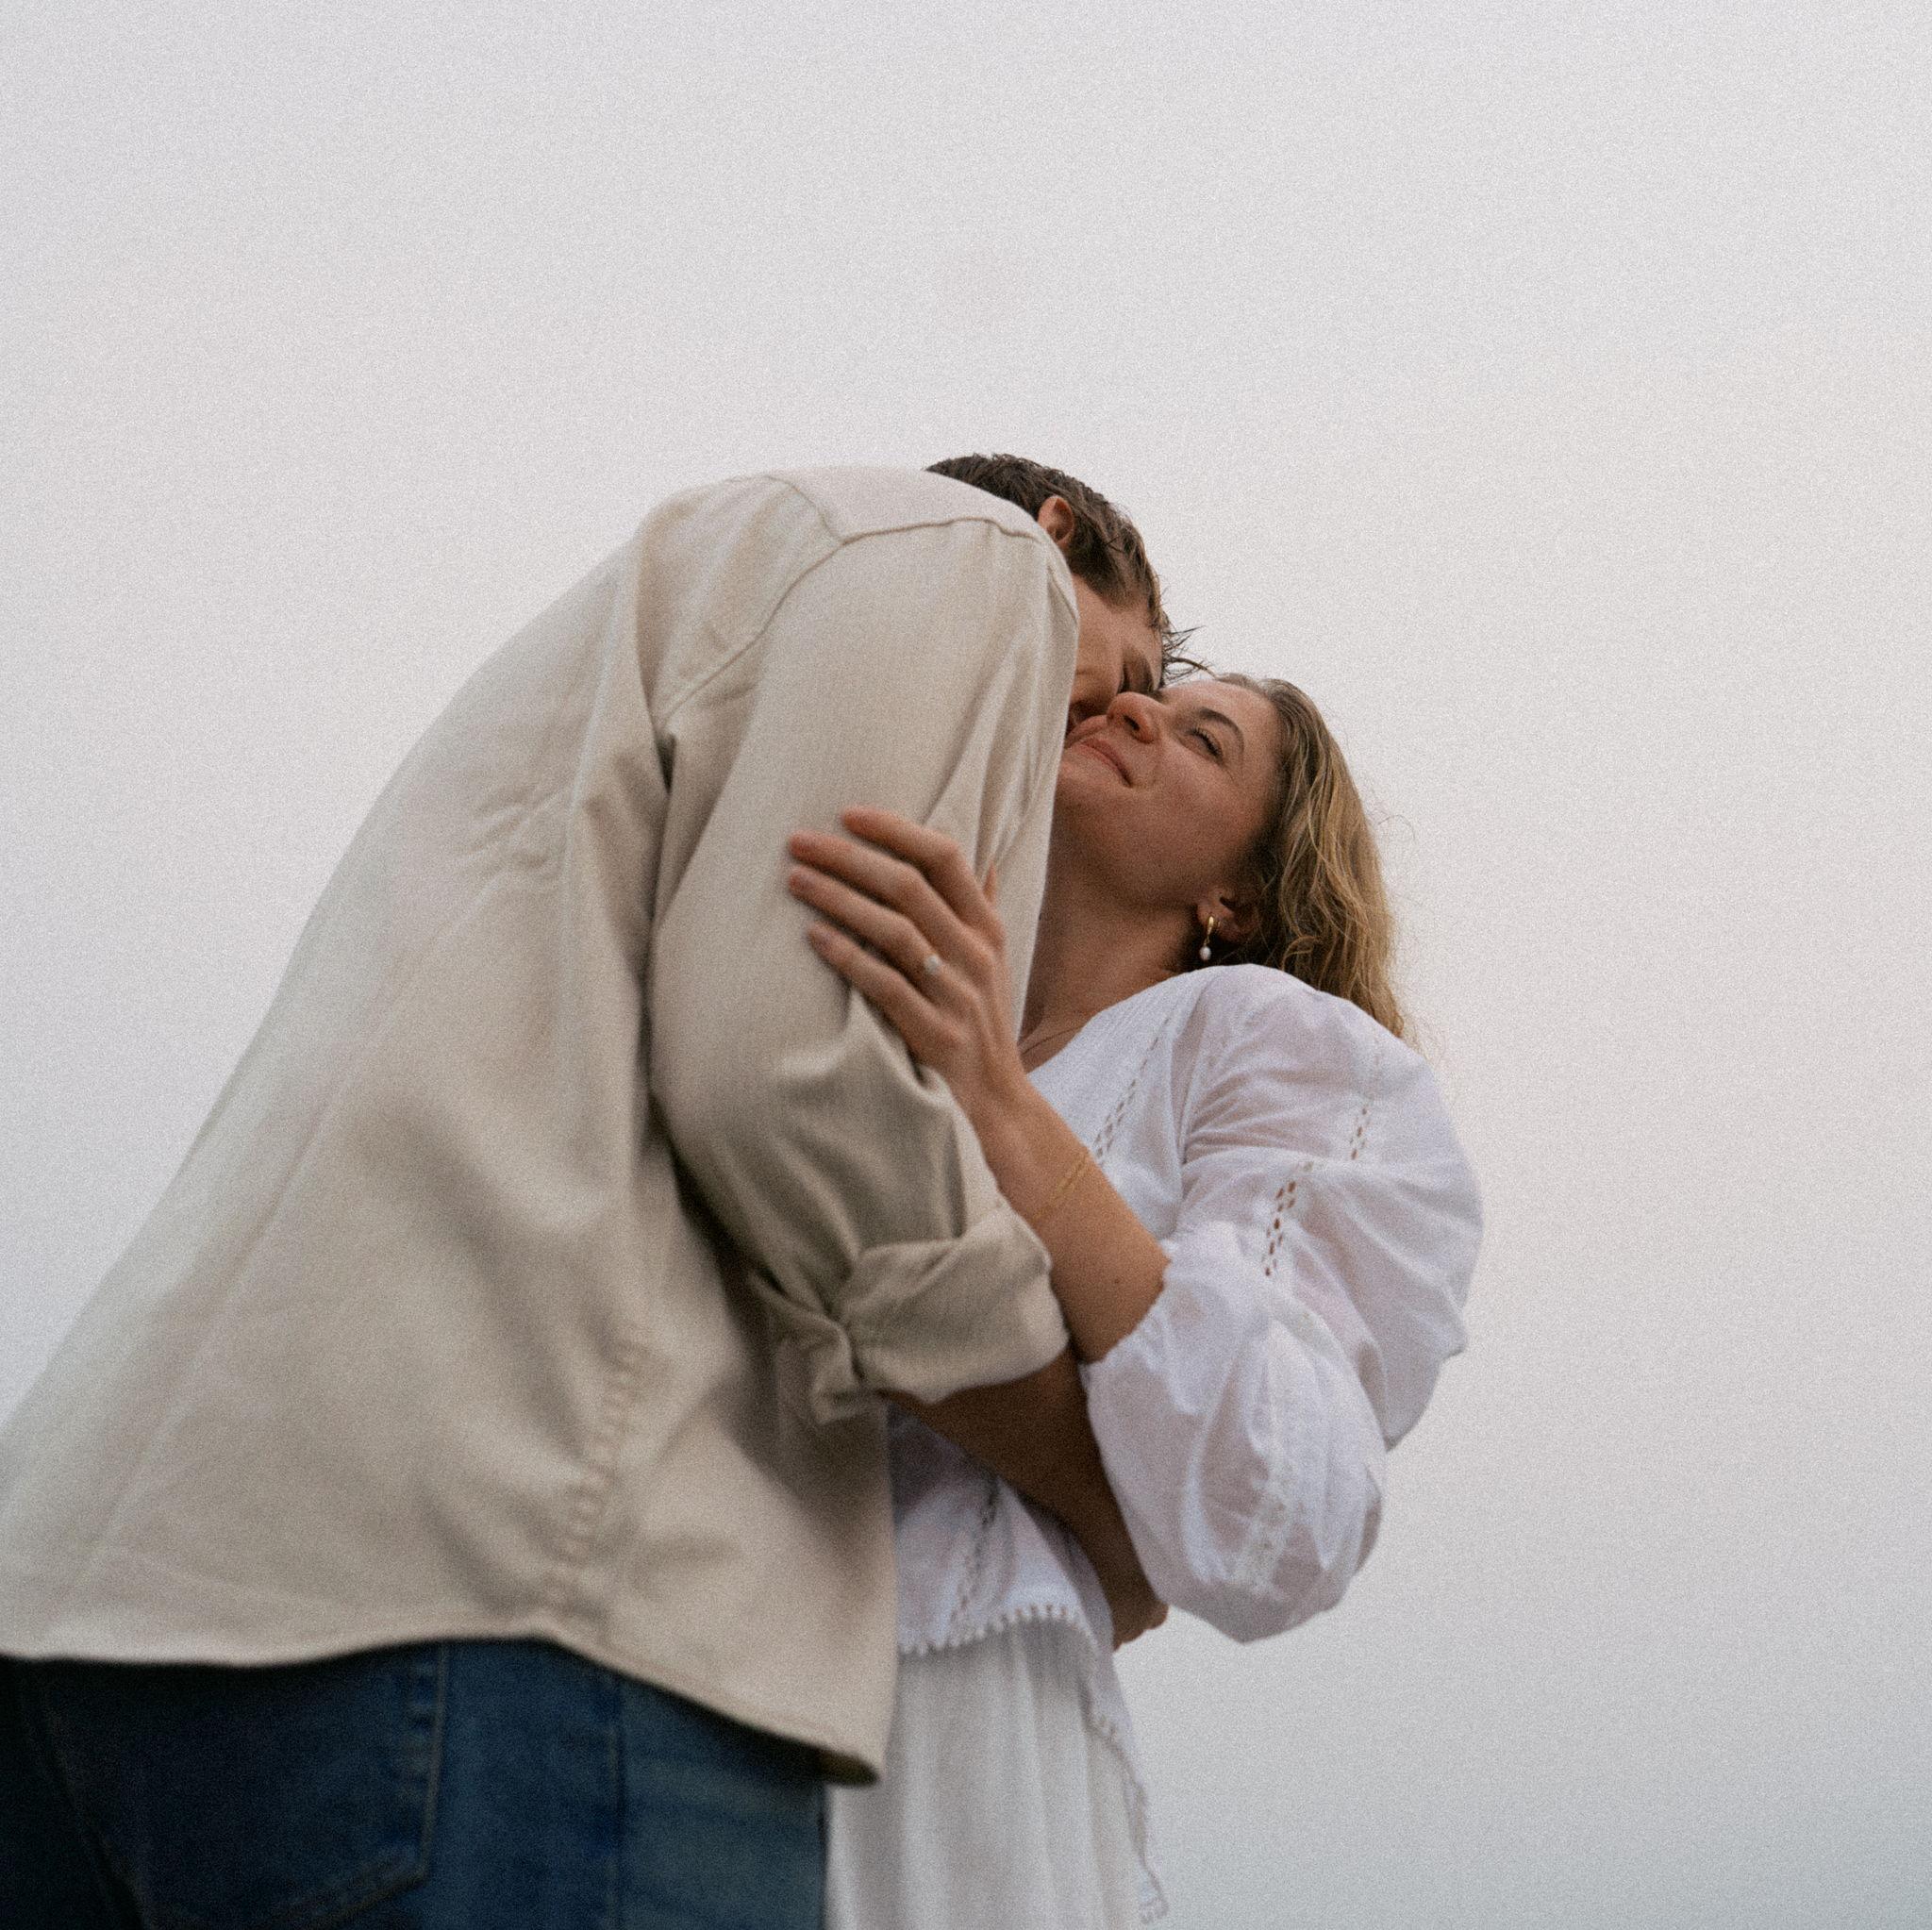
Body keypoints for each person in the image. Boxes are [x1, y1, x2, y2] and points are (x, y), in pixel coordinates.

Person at [0, 460, 1177, 1927]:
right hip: (518, 1619)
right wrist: (1096, 1485)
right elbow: (798, 1072)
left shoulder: (638, 635)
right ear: (1061, 534)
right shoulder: (974, 554)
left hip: (111, 1600)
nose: (1089, 744)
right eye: (1111, 685)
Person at [784, 672, 1483, 1923]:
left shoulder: (1253, 1031)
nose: (1136, 715)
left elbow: (1284, 1500)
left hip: (942, 1715)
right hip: (710, 1649)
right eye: (1142, 697)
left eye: (1203, 738)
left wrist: (998, 1104)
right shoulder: (922, 1005)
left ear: (1235, 893)